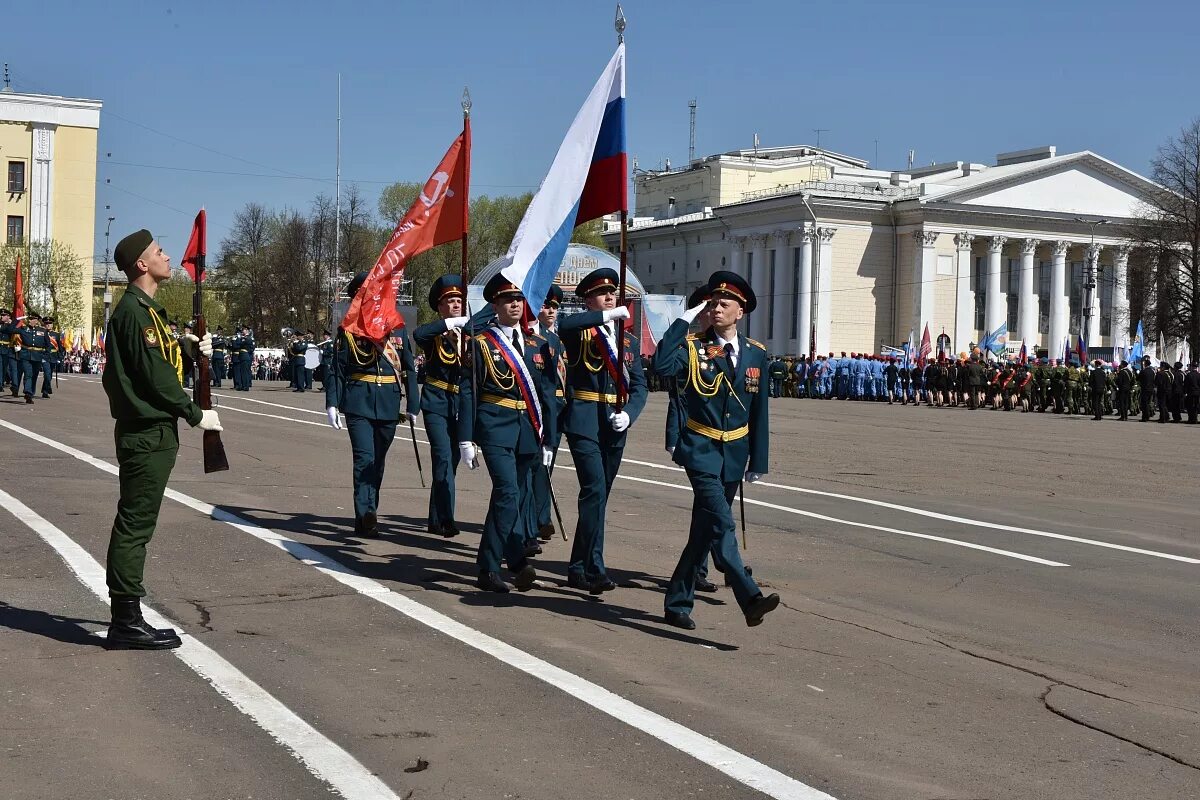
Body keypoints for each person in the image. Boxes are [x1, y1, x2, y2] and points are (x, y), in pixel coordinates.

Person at [102, 229, 221, 650]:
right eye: (158, 252)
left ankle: (127, 616)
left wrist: (188, 349)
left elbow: (159, 364)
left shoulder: (148, 312)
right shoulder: (134, 313)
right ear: (141, 264)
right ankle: (125, 620)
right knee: (135, 526)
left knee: (138, 524)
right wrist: (195, 414)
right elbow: (154, 379)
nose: (167, 256)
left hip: (152, 431)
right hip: (146, 431)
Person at [652, 271, 780, 630]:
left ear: (741, 311)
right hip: (701, 449)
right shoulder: (693, 347)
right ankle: (750, 598)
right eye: (713, 303)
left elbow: (760, 411)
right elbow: (661, 365)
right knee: (722, 524)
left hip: (735, 453)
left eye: (725, 303)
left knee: (704, 531)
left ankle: (677, 602)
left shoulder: (756, 354)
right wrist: (684, 319)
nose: (717, 308)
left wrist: (759, 459)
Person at [458, 273, 557, 593]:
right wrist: (465, 437)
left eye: (519, 299)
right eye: (507, 299)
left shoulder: (537, 344)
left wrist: (549, 439)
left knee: (514, 497)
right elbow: (468, 392)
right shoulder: (482, 342)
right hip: (494, 427)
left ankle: (514, 559)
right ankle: (488, 567)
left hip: (529, 429)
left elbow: (547, 395)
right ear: (495, 305)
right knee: (508, 493)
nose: (515, 304)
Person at [557, 267, 648, 593]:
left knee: (599, 497)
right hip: (584, 421)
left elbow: (639, 387)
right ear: (588, 300)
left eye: (613, 292)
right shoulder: (579, 331)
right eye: (601, 294)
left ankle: (578, 566)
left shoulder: (629, 339)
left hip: (615, 423)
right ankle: (594, 567)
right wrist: (604, 317)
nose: (609, 297)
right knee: (594, 490)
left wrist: (630, 415)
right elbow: (563, 325)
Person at [324, 272, 420, 537]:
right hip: (358, 402)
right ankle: (365, 513)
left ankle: (370, 509)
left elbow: (409, 369)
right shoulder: (349, 328)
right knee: (364, 458)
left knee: (378, 462)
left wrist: (413, 403)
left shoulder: (397, 327)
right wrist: (332, 402)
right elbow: (337, 369)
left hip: (389, 401)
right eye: (366, 294)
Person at [413, 275, 471, 538]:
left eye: (459, 300)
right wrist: (449, 324)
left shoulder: (470, 334)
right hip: (436, 402)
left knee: (453, 460)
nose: (456, 304)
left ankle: (435, 518)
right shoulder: (434, 335)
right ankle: (447, 518)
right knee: (443, 458)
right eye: (450, 301)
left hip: (460, 404)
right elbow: (418, 333)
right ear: (440, 307)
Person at [526, 283, 567, 548]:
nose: (550, 310)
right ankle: (537, 521)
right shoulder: (530, 337)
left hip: (557, 412)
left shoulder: (559, 340)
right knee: (532, 470)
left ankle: (540, 518)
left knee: (544, 470)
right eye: (545, 305)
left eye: (554, 307)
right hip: (535, 411)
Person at [0, 307, 15, 392]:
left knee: (4, 368)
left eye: (4, 315)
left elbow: (12, 331)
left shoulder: (10, 326)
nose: (2, 316)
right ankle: (0, 384)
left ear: (8, 316)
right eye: (1, 315)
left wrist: (12, 323)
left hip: (6, 348)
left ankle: (2, 382)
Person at [1138, 357, 1156, 421]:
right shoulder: (1152, 371)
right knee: (1148, 403)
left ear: (1145, 364)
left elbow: (1138, 378)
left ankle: (1145, 417)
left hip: (1145, 389)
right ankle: (1148, 415)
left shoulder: (1143, 371)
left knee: (1144, 403)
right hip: (1151, 389)